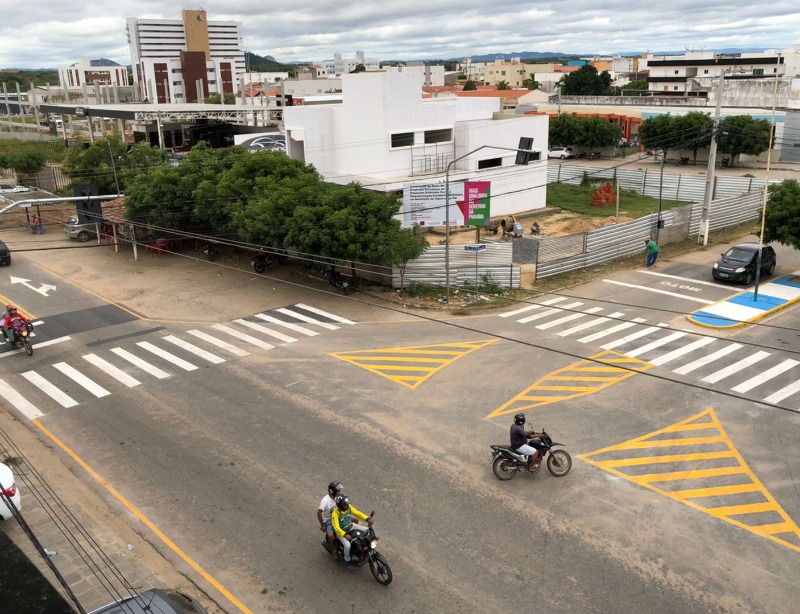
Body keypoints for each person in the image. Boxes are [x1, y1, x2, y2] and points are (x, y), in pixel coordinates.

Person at [331, 494, 373, 568]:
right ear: (340, 506)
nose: (347, 506)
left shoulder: (349, 507)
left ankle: (367, 547)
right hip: (342, 532)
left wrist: (367, 519)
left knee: (367, 530)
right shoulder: (335, 514)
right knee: (347, 546)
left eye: (347, 504)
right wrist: (344, 535)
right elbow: (336, 528)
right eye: (345, 505)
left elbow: (357, 513)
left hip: (351, 526)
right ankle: (347, 560)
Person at [317, 481, 344, 559]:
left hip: (337, 516)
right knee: (330, 535)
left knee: (354, 520)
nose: (339, 493)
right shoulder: (325, 501)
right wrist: (322, 525)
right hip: (328, 520)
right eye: (338, 491)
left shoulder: (338, 498)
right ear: (333, 492)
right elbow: (319, 513)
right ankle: (334, 546)